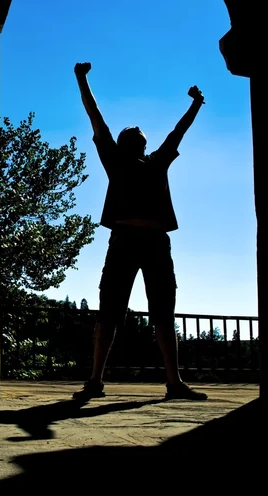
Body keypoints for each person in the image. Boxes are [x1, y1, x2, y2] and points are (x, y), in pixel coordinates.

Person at [72, 62, 208, 402]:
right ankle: (95, 380)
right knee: (110, 311)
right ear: (125, 142)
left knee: (163, 311)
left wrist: (195, 104)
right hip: (126, 241)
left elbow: (178, 132)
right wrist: (81, 80)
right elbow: (95, 115)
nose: (136, 131)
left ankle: (174, 383)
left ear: (144, 145)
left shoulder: (155, 161)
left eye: (139, 133)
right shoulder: (115, 159)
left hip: (154, 243)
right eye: (132, 132)